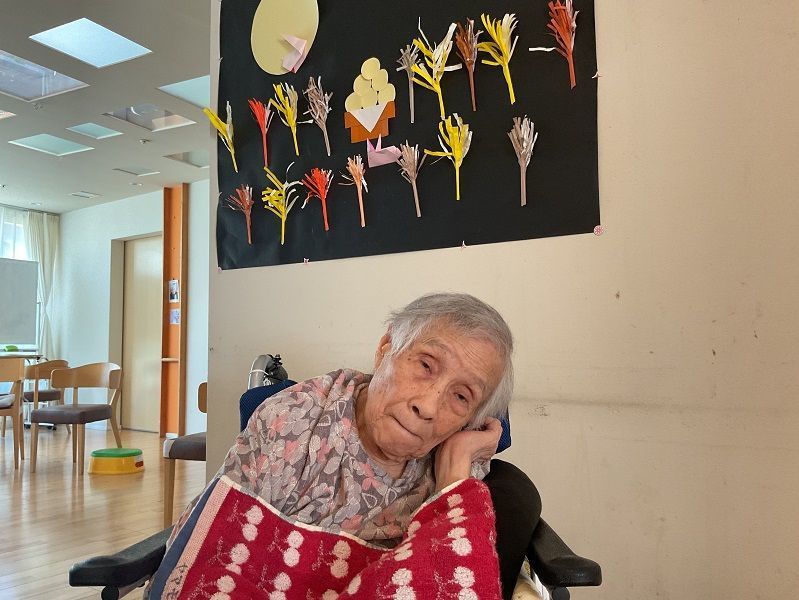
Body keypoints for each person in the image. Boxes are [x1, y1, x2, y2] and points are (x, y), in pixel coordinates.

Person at [151, 293, 540, 599]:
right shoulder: (294, 419)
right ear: (385, 349)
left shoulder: (459, 461)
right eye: (425, 365)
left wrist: (454, 472)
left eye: (461, 396)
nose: (428, 406)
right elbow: (218, 561)